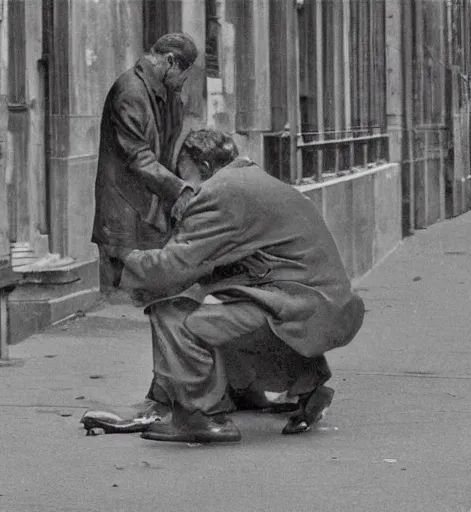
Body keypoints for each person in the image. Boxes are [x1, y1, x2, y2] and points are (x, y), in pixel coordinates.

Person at [116, 129, 365, 444]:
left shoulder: (220, 192)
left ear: (205, 166)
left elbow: (174, 264)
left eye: (187, 178)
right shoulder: (254, 180)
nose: (187, 189)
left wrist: (124, 261)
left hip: (301, 306)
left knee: (176, 318)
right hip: (327, 307)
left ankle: (199, 417)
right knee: (225, 307)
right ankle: (305, 388)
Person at [92, 33, 201, 299]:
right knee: (122, 298)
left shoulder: (164, 93)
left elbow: (169, 146)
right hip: (125, 213)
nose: (183, 82)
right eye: (182, 74)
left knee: (154, 296)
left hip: (149, 211)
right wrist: (180, 189)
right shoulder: (130, 91)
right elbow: (138, 156)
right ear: (170, 61)